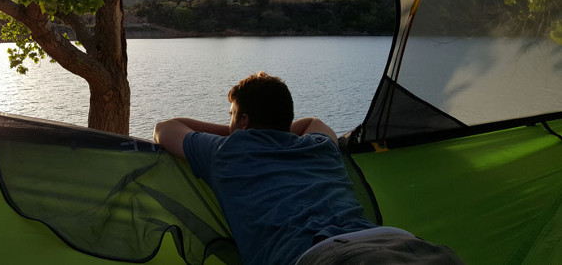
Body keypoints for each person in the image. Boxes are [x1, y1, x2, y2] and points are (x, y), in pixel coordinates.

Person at [153, 72, 464, 265]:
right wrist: (260, 129)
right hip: (408, 246)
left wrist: (239, 134)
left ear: (244, 121)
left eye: (233, 115)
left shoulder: (228, 151)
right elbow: (314, 122)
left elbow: (165, 128)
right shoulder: (320, 145)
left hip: (322, 257)